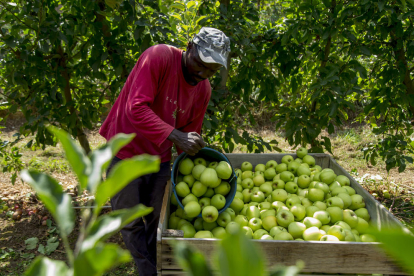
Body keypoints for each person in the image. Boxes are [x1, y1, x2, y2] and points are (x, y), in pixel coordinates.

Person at [99, 27, 231, 276]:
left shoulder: (203, 90)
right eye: (199, 64)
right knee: (129, 220)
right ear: (189, 46)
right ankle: (147, 270)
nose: (202, 73)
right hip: (124, 151)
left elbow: (187, 137)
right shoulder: (158, 57)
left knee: (157, 220)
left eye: (211, 71)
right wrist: (176, 135)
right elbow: (135, 109)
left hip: (158, 158)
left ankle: (155, 266)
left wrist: (199, 156)